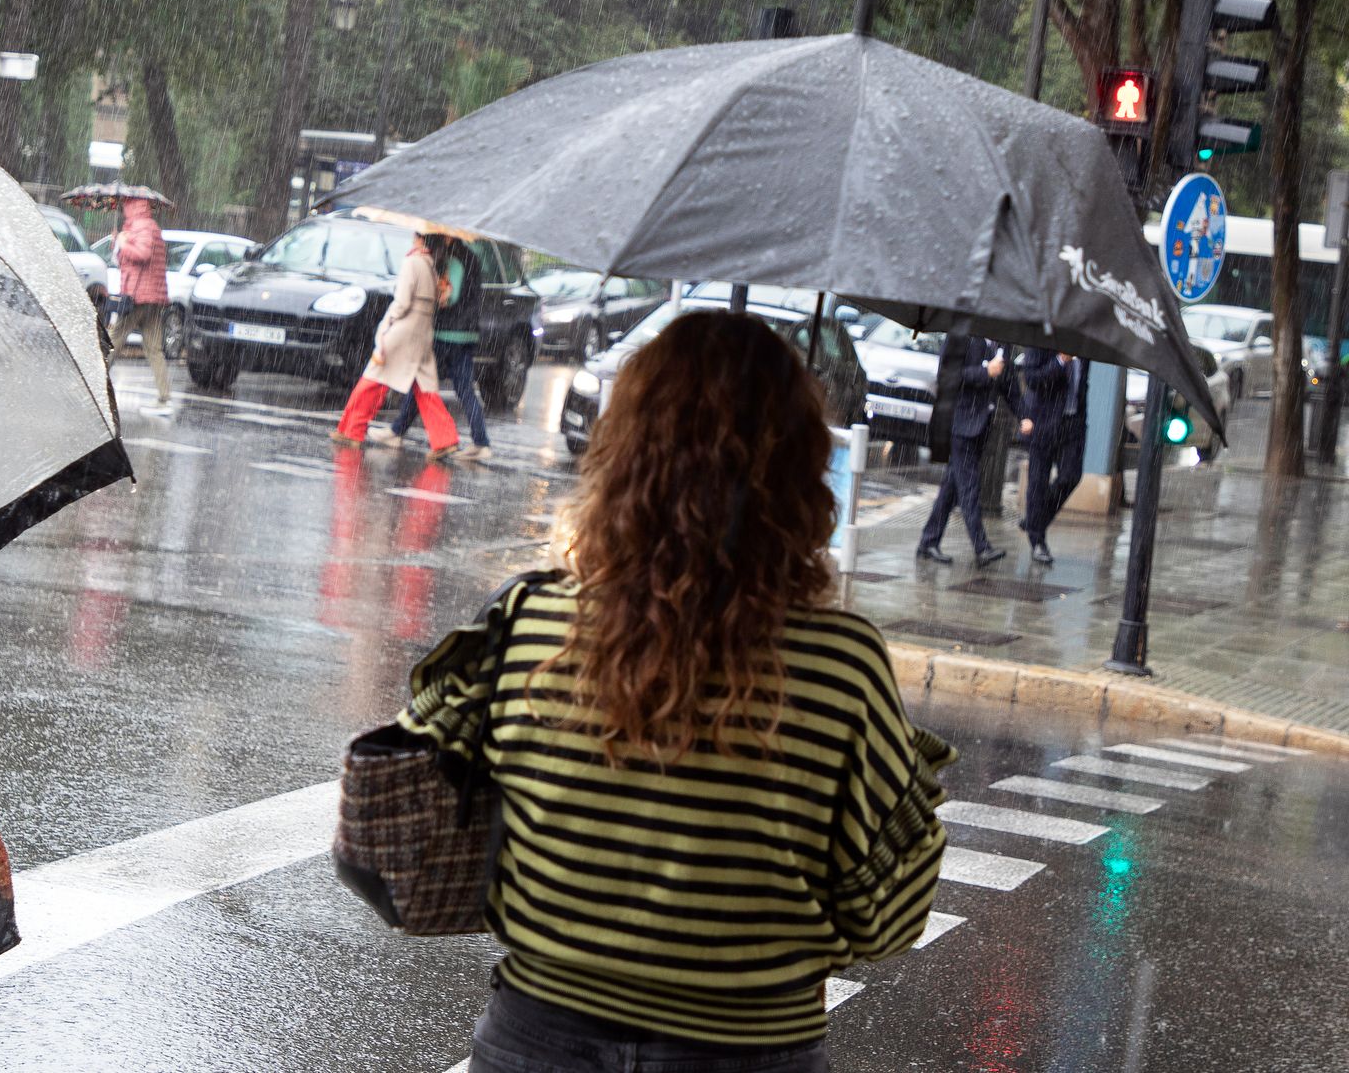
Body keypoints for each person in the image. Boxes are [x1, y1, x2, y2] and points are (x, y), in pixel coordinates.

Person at [396, 312, 954, 1073]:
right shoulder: (843, 667)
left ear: (624, 453)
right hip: (748, 1051)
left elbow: (419, 796)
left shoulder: (532, 624)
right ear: (801, 472)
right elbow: (887, 919)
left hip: (537, 1041)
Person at [331, 232, 461, 460]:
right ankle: (445, 438)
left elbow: (402, 302)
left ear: (420, 239)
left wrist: (387, 323)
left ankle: (352, 429)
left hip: (405, 327)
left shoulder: (413, 261)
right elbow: (443, 300)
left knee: (373, 378)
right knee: (425, 387)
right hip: (424, 328)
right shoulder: (437, 264)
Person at [375, 235, 492, 460]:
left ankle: (398, 431)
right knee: (461, 388)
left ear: (448, 235)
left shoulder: (456, 259)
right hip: (465, 332)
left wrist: (431, 296)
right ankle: (481, 441)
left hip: (448, 333)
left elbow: (450, 296)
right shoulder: (469, 256)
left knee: (423, 382)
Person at [917, 335, 1025, 567]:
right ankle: (981, 547)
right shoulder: (962, 336)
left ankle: (928, 542)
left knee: (951, 488)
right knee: (969, 487)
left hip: (980, 427)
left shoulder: (1003, 342)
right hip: (959, 423)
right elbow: (948, 376)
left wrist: (1024, 416)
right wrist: (985, 372)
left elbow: (1009, 385)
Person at [1018, 348, 1088, 565]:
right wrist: (1059, 361)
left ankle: (1034, 521)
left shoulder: (1085, 345)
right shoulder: (1043, 339)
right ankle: (1038, 541)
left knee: (1071, 476)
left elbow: (1081, 383)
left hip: (1073, 423)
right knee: (1038, 482)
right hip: (1044, 422)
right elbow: (1032, 379)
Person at [114, 197, 172, 414]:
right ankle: (165, 399)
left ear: (131, 206)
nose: (123, 210)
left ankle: (94, 389)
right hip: (153, 296)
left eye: (125, 206)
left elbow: (142, 255)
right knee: (153, 347)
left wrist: (123, 244)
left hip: (138, 296)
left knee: (113, 341)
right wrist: (118, 242)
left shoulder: (142, 226)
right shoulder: (149, 226)